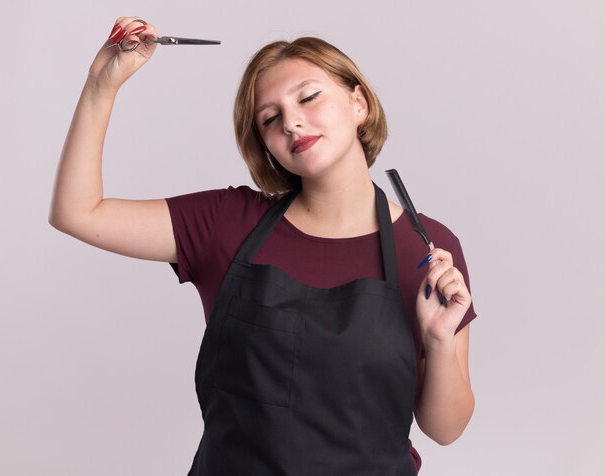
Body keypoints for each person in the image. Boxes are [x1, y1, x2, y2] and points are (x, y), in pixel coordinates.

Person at [50, 16, 476, 476]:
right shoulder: (227, 224)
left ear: (359, 103)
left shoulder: (428, 247)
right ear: (266, 144)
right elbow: (78, 212)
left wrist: (438, 341)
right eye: (270, 119)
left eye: (308, 97)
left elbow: (445, 429)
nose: (292, 121)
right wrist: (101, 85)